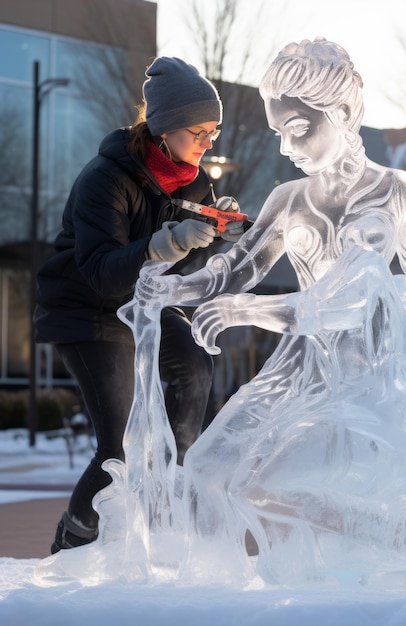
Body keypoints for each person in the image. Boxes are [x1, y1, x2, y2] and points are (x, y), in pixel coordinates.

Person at [131, 38, 406, 582]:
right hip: (298, 366)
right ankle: (214, 594)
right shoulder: (289, 200)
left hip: (367, 376)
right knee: (204, 471)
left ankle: (358, 563)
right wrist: (173, 290)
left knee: (275, 487)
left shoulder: (395, 193)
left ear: (342, 114)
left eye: (298, 130)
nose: (288, 148)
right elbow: (234, 270)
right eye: (279, 134)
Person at [33, 56, 243, 553]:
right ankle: (73, 542)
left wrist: (214, 237)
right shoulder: (105, 178)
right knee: (117, 450)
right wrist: (165, 242)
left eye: (214, 132)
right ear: (166, 128)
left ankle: (172, 474)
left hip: (146, 301)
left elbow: (180, 271)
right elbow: (103, 274)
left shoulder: (195, 183)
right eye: (199, 132)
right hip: (88, 309)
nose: (208, 143)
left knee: (193, 363)